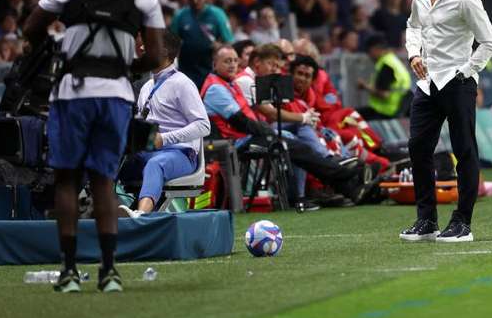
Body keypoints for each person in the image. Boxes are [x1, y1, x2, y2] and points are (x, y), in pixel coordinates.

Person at [22, 0, 165, 293]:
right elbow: (157, 54)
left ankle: (69, 272)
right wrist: (124, 68)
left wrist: (53, 44)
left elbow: (31, 28)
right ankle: (109, 272)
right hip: (116, 93)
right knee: (103, 180)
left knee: (68, 178)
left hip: (73, 90)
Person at [401, 0, 492, 243]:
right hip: (428, 84)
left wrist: (466, 71)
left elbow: (490, 42)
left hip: (457, 83)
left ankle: (462, 222)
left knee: (464, 151)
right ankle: (426, 219)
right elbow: (413, 26)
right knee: (418, 147)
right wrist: (414, 53)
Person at [201, 46, 374, 206]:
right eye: (227, 61)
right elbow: (241, 121)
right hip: (234, 142)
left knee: (295, 140)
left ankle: (345, 182)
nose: (232, 65)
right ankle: (340, 174)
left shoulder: (228, 83)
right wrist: (270, 131)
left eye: (234, 60)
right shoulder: (219, 87)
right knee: (291, 143)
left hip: (245, 136)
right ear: (214, 64)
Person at [119, 30, 210, 217]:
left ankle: (140, 215)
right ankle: (103, 210)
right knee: (107, 161)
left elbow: (203, 125)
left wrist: (164, 139)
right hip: (147, 151)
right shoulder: (146, 86)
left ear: (164, 51)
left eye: (148, 44)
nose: (142, 48)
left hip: (181, 154)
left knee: (156, 164)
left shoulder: (182, 84)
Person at [171, 0, 233, 88]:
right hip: (186, 70)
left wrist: (220, 48)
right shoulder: (180, 16)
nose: (195, 1)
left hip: (211, 71)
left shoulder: (217, 14)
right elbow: (171, 43)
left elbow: (229, 43)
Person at [358, 33, 412, 120]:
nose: (369, 56)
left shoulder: (386, 65)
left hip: (385, 111)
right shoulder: (393, 60)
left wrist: (364, 86)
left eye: (369, 52)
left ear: (375, 49)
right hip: (397, 109)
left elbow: (384, 94)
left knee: (351, 116)